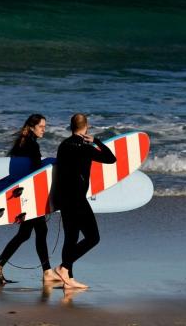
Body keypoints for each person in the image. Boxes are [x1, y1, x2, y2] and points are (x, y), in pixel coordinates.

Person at [0, 114, 63, 285]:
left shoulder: (21, 144)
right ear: (32, 127)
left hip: (24, 195)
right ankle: (47, 273)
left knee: (25, 234)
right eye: (41, 126)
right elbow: (37, 175)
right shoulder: (32, 147)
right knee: (37, 232)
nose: (44, 129)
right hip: (31, 197)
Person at [51, 113, 116, 289]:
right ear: (86, 126)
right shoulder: (85, 147)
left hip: (63, 197)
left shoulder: (63, 145)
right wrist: (96, 141)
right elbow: (111, 159)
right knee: (93, 237)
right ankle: (64, 268)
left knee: (71, 237)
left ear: (71, 127)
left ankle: (68, 278)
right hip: (77, 199)